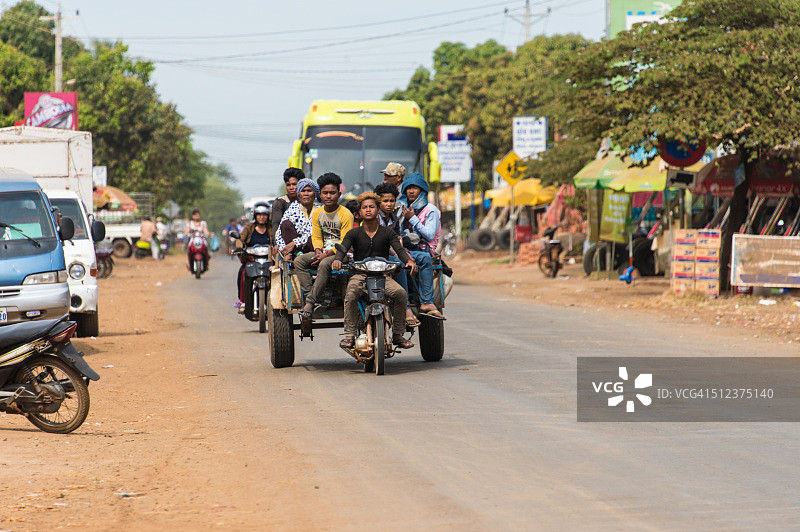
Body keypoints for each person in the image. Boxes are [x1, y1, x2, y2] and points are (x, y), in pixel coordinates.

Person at [333, 191, 417, 350]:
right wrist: (337, 259)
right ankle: (349, 335)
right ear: (359, 213)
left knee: (401, 294)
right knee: (350, 295)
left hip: (383, 276)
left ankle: (398, 334)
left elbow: (399, 250)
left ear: (378, 210)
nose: (368, 210)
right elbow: (343, 248)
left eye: (372, 206)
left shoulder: (388, 232)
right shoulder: (353, 233)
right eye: (365, 207)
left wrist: (409, 261)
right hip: (361, 275)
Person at [294, 173, 354, 318]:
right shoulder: (317, 213)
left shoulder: (346, 214)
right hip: (322, 251)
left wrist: (325, 255)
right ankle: (312, 298)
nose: (328, 196)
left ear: (339, 194)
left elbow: (345, 241)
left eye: (332, 193)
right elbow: (316, 236)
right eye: (325, 193)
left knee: (324, 264)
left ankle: (310, 302)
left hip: (341, 254)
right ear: (319, 194)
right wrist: (318, 250)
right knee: (299, 261)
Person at [399, 173, 445, 320]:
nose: (411, 191)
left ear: (422, 191)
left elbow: (429, 235)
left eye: (415, 188)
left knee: (424, 259)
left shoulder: (430, 210)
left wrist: (412, 219)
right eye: (408, 188)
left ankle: (426, 301)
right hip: (404, 248)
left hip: (423, 249)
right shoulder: (401, 207)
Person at [375, 181, 419, 327]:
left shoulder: (394, 217)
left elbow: (397, 238)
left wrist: (405, 254)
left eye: (392, 201)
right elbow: (381, 243)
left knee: (410, 261)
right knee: (398, 263)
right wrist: (400, 255)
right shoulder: (374, 217)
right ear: (378, 202)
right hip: (377, 254)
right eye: (385, 201)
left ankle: (417, 298)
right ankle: (406, 308)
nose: (389, 204)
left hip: (392, 252)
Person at [233, 202, 271, 311]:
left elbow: (278, 240)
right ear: (255, 215)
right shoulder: (249, 227)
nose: (262, 217)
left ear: (268, 215)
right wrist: (240, 247)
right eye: (259, 214)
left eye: (264, 214)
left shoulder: (272, 227)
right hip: (252, 259)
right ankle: (243, 301)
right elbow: (240, 239)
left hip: (269, 260)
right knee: (242, 272)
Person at [275, 177, 318, 261]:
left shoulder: (319, 210)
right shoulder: (293, 208)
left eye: (309, 191)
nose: (306, 194)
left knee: (312, 238)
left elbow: (314, 233)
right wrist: (286, 251)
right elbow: (279, 233)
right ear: (299, 194)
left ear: (314, 194)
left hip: (311, 250)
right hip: (294, 252)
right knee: (286, 224)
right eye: (303, 191)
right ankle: (298, 255)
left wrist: (295, 243)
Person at [271, 168, 304, 243]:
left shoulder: (307, 202)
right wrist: (276, 244)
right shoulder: (280, 202)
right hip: (284, 241)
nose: (291, 188)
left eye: (294, 184)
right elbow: (276, 225)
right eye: (288, 185)